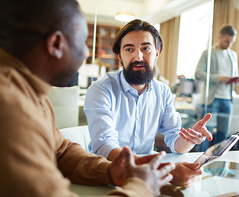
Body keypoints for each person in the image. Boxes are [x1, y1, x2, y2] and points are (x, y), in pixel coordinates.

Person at [0, 1, 176, 196]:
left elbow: (61, 151)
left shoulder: (31, 92)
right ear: (56, 44)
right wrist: (141, 188)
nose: (86, 54)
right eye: (82, 41)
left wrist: (110, 171)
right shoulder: (9, 103)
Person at [84, 19, 213, 188]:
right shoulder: (100, 90)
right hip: (108, 176)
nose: (138, 56)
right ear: (120, 57)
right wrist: (161, 168)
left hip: (149, 179)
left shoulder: (164, 92)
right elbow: (105, 146)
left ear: (157, 53)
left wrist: (191, 139)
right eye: (129, 49)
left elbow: (176, 142)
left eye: (145, 48)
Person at [195, 24, 239, 152]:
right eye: (227, 41)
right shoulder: (208, 53)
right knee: (205, 134)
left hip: (227, 99)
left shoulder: (233, 54)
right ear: (219, 37)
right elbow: (198, 73)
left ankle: (218, 163)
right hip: (212, 99)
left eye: (231, 42)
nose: (229, 44)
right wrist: (219, 78)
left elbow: (235, 72)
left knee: (223, 135)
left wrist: (235, 80)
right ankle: (200, 162)